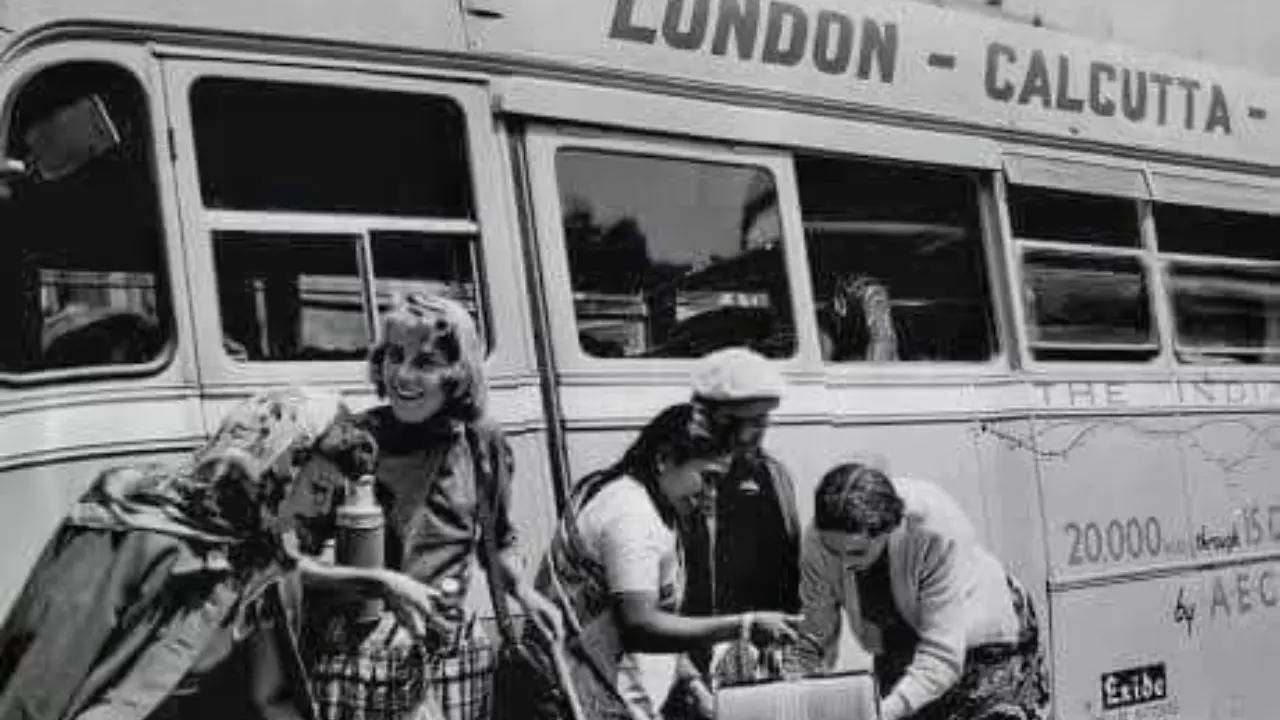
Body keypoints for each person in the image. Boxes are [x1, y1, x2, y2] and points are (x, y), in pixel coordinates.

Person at [0, 387, 441, 720]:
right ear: (273, 462)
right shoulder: (125, 529)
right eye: (319, 489)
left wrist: (378, 581)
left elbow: (271, 689)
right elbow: (39, 681)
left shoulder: (256, 548)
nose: (322, 512)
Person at [308, 293, 560, 720]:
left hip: (453, 655)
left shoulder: (483, 442)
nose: (402, 375)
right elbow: (281, 563)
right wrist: (378, 582)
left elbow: (495, 541)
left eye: (425, 363)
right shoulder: (345, 442)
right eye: (393, 356)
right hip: (361, 657)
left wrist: (523, 591)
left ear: (458, 375)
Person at [514, 402, 803, 720]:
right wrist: (744, 626)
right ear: (664, 459)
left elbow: (658, 618)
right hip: (568, 697)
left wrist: (692, 685)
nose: (713, 495)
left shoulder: (649, 503)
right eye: (707, 478)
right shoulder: (631, 514)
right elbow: (641, 626)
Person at [793, 463, 1050, 720]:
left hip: (981, 642)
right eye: (834, 552)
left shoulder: (933, 528)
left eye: (856, 552)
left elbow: (942, 656)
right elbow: (816, 636)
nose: (844, 565)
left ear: (887, 530)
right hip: (900, 644)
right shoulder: (817, 540)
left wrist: (882, 714)